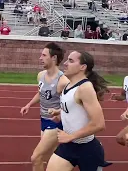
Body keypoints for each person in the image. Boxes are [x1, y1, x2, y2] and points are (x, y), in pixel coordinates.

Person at [45, 50, 112, 171]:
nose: (65, 63)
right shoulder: (68, 85)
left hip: (88, 150)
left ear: (82, 67)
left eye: (70, 61)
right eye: (67, 60)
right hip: (68, 147)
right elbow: (76, 106)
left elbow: (99, 124)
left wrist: (71, 136)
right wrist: (60, 112)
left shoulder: (85, 88)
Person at [20, 42, 69, 171]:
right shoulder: (41, 75)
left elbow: (71, 104)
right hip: (43, 119)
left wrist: (58, 112)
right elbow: (40, 93)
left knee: (36, 157)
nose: (40, 58)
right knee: (50, 157)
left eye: (43, 55)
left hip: (55, 123)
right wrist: (29, 104)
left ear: (53, 58)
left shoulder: (63, 81)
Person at [110, 75, 128, 146]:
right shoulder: (126, 78)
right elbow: (124, 95)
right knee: (121, 139)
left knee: (121, 138)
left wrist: (126, 111)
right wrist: (116, 97)